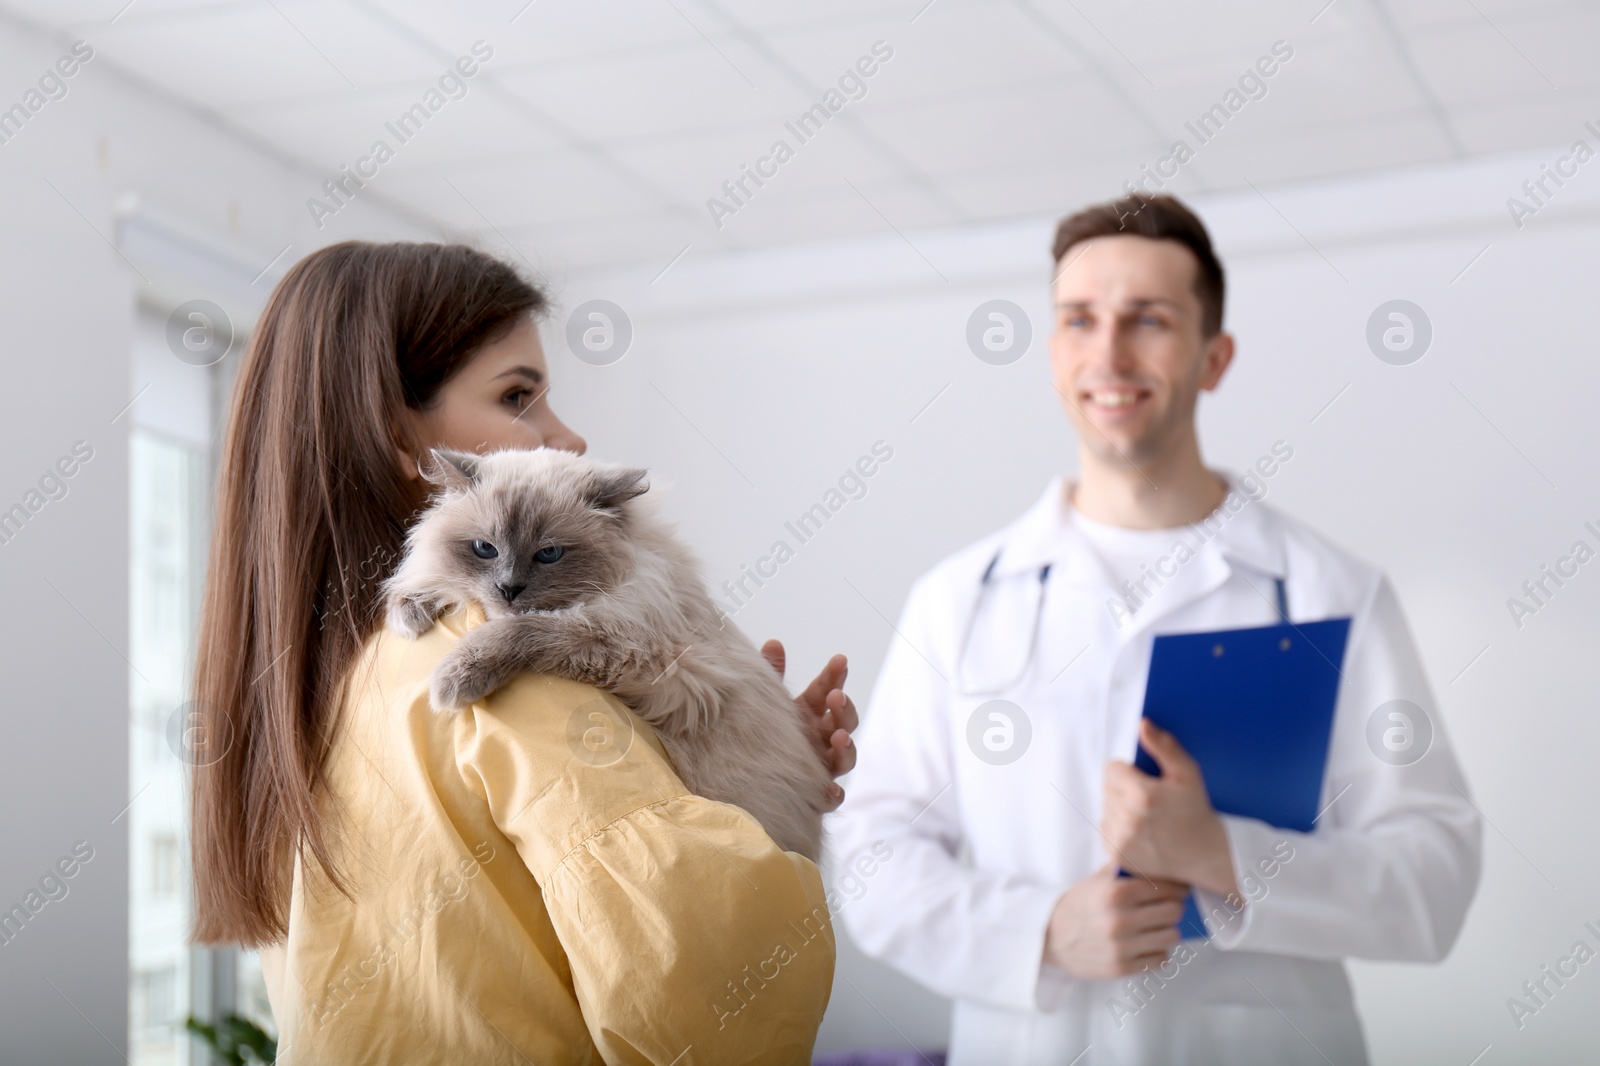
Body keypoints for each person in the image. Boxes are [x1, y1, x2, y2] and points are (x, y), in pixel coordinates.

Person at [829, 194, 1482, 1065]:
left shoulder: (1331, 593)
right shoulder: (957, 599)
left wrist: (1226, 856)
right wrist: (1042, 933)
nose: (1109, 352)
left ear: (1214, 358)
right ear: (1055, 351)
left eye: (1149, 320)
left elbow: (1433, 876)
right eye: (1079, 320)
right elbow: (872, 854)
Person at [188, 241, 857, 1064]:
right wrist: (746, 839)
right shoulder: (504, 659)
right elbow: (704, 988)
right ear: (400, 436)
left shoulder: (323, 682)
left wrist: (732, 748)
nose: (566, 438)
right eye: (519, 397)